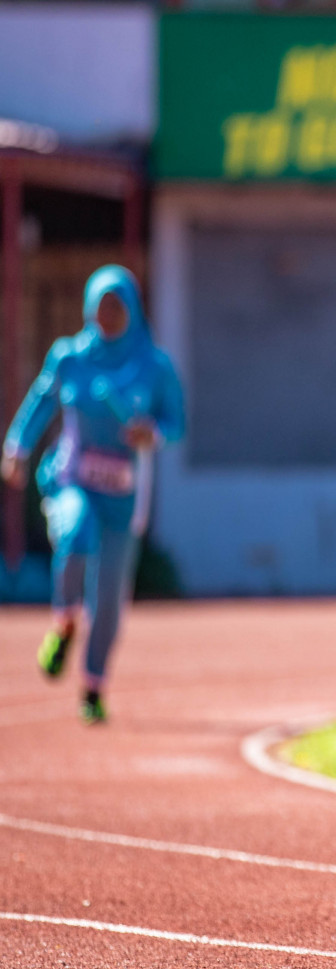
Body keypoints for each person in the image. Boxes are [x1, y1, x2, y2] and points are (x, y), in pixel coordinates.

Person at [1, 265, 185, 724]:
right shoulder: (69, 358)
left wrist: (152, 434)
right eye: (100, 306)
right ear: (87, 308)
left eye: (116, 306)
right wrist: (17, 448)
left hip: (122, 497)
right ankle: (64, 622)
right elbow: (41, 401)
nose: (107, 315)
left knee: (108, 600)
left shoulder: (154, 365)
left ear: (132, 308)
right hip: (72, 479)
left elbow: (175, 422)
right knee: (76, 531)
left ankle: (93, 687)